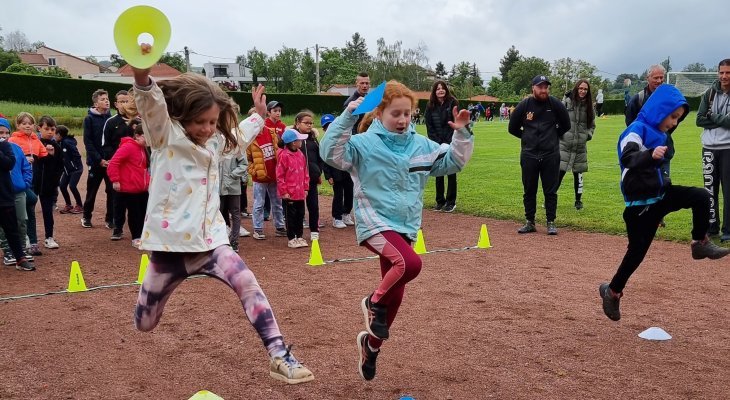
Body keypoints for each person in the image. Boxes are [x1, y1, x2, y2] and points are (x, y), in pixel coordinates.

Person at [131, 62, 314, 385]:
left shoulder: (216, 141)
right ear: (182, 116)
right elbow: (150, 103)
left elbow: (238, 138)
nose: (207, 128)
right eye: (200, 122)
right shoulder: (164, 136)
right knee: (145, 323)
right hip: (169, 249)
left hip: (212, 243)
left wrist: (258, 115)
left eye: (213, 121)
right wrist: (142, 77)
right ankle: (148, 307)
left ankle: (279, 354)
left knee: (247, 282)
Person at [320, 80, 473, 381]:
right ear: (379, 114)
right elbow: (329, 152)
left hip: (406, 225)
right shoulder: (363, 144)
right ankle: (372, 302)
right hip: (374, 220)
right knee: (410, 264)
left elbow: (453, 162)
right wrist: (349, 114)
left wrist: (462, 134)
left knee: (396, 297)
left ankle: (371, 346)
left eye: (408, 114)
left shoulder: (421, 145)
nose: (403, 120)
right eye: (396, 114)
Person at [599, 84, 730, 321]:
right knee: (636, 254)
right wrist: (650, 154)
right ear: (659, 110)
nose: (674, 123)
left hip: (662, 196)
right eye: (672, 117)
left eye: (678, 119)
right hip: (640, 206)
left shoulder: (662, 135)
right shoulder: (636, 130)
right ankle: (613, 291)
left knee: (701, 196)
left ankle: (699, 242)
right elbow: (628, 158)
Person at [508, 75, 571, 235]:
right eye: (540, 87)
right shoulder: (524, 105)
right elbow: (512, 127)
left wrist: (553, 136)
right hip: (529, 155)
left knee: (550, 190)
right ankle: (530, 221)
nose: (543, 90)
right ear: (533, 88)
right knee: (529, 189)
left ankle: (551, 222)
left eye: (546, 87)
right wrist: (527, 137)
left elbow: (566, 124)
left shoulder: (555, 104)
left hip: (550, 154)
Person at [696, 59, 730, 241]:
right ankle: (712, 227)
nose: (724, 76)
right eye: (722, 72)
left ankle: (728, 230)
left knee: (728, 191)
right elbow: (699, 120)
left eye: (728, 73)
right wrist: (721, 119)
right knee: (709, 190)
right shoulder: (709, 93)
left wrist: (712, 116)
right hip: (708, 147)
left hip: (728, 148)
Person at [246, 101, 286, 240]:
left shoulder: (271, 133)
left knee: (277, 202)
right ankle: (258, 228)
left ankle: (280, 226)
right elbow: (247, 159)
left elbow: (278, 151)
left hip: (273, 175)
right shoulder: (249, 139)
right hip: (260, 177)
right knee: (259, 204)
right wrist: (254, 170)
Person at [103, 89, 139, 240]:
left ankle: (137, 232)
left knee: (136, 201)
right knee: (118, 199)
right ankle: (117, 228)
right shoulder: (111, 122)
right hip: (118, 166)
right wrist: (113, 159)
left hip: (136, 167)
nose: (125, 104)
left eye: (127, 101)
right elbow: (105, 144)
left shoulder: (138, 122)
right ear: (116, 104)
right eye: (122, 101)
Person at [106, 125, 149, 248]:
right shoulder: (128, 147)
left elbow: (143, 169)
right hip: (131, 188)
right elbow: (113, 163)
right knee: (135, 214)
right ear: (137, 135)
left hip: (142, 188)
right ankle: (136, 237)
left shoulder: (143, 148)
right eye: (147, 135)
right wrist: (115, 180)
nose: (149, 139)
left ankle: (142, 235)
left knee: (144, 212)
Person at [9, 112, 45, 256]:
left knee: (30, 211)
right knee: (27, 205)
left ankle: (33, 241)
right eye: (24, 123)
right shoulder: (12, 140)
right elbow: (11, 160)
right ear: (18, 125)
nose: (27, 125)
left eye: (30, 123)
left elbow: (43, 153)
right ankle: (20, 243)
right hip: (19, 183)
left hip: (32, 181)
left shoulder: (36, 139)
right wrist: (24, 158)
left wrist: (49, 150)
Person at [0, 117, 33, 270]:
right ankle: (8, 253)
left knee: (13, 227)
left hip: (5, 195)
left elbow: (9, 163)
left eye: (6, 133)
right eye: (1, 132)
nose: (4, 136)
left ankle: (20, 258)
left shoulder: (8, 147)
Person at [559, 79, 595, 210]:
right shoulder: (566, 102)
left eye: (585, 89)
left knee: (578, 175)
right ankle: (550, 199)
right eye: (581, 88)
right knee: (559, 173)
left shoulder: (589, 106)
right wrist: (561, 133)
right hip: (565, 144)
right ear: (576, 88)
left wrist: (587, 135)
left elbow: (592, 126)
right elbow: (558, 119)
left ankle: (578, 201)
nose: (583, 91)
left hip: (580, 146)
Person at [425, 80, 460, 212]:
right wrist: (437, 141)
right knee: (438, 171)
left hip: (451, 141)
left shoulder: (452, 102)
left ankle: (451, 202)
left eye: (443, 88)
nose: (440, 90)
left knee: (451, 171)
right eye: (438, 89)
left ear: (446, 89)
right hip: (436, 143)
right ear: (434, 91)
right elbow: (429, 125)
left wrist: (448, 140)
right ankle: (440, 201)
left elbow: (455, 122)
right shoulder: (430, 105)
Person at [81, 89, 113, 229]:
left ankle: (110, 219)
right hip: (95, 163)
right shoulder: (89, 119)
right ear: (95, 103)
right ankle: (86, 217)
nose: (106, 101)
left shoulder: (111, 119)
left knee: (112, 191)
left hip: (110, 163)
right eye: (102, 99)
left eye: (107, 99)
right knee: (92, 191)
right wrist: (99, 159)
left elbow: (114, 141)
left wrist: (111, 159)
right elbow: (88, 142)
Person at [276, 128, 309, 248]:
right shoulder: (284, 155)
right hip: (289, 194)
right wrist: (284, 192)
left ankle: (299, 236)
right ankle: (291, 238)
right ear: (293, 142)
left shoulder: (300, 154)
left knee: (300, 215)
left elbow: (305, 172)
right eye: (299, 140)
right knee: (290, 217)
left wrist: (306, 188)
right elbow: (280, 176)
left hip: (300, 192)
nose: (301, 142)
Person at [320, 114, 354, 229]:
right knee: (338, 195)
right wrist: (328, 175)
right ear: (324, 129)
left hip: (347, 171)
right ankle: (337, 217)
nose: (329, 128)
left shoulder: (344, 138)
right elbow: (324, 161)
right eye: (326, 126)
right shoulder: (325, 142)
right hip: (335, 173)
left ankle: (346, 213)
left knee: (350, 193)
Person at [294, 111, 323, 241]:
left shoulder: (313, 140)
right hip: (296, 180)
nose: (309, 125)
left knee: (313, 205)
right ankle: (297, 232)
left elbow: (319, 157)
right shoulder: (292, 141)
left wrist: (318, 172)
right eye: (306, 123)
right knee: (298, 208)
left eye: (311, 123)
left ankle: (314, 230)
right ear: (298, 123)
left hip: (311, 178)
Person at [36, 116, 64, 249]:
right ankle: (29, 239)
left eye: (53, 129)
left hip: (48, 185)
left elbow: (59, 166)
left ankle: (49, 237)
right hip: (33, 184)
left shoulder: (56, 146)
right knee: (28, 212)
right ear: (39, 128)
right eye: (46, 129)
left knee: (48, 212)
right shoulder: (35, 143)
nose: (50, 132)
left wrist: (55, 182)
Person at [219, 143, 248, 251]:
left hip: (233, 187)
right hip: (218, 188)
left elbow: (244, 164)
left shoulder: (236, 149)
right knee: (218, 214)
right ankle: (221, 240)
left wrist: (233, 175)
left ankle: (234, 241)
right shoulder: (215, 146)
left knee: (235, 213)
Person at [56, 125, 84, 214]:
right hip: (67, 170)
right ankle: (68, 205)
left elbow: (77, 154)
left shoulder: (67, 142)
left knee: (72, 186)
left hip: (76, 169)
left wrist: (74, 165)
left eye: (55, 134)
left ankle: (80, 205)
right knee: (62, 186)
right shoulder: (59, 143)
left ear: (59, 135)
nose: (53, 136)